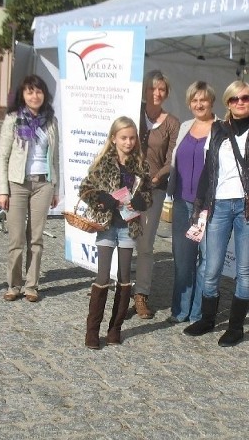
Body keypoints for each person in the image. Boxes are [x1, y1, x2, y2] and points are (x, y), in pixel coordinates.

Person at [184, 81, 249, 346]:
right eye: (234, 99)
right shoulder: (217, 131)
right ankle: (208, 319)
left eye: (244, 98)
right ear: (227, 103)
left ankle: (236, 327)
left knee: (244, 270)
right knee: (211, 266)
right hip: (220, 204)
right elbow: (207, 171)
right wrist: (201, 204)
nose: (239, 102)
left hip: (248, 206)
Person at [79, 116, 152, 349]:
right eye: (123, 138)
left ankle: (115, 328)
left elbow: (147, 195)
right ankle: (92, 330)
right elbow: (85, 189)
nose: (128, 142)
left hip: (128, 227)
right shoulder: (103, 163)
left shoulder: (140, 165)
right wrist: (103, 200)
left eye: (132, 138)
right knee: (102, 277)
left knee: (124, 277)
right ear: (114, 139)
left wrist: (138, 202)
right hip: (107, 226)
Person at [0, 75, 60, 303]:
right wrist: (2, 190)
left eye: (39, 91)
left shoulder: (51, 121)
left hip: (43, 183)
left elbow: (55, 159)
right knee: (16, 238)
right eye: (30, 91)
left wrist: (55, 189)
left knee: (36, 238)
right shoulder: (13, 119)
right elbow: (2, 157)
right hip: (17, 183)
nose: (35, 96)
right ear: (22, 96)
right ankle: (14, 284)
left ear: (45, 94)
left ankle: (31, 285)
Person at [167, 81, 217, 323]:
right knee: (183, 259)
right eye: (194, 100)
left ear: (211, 102)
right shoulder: (185, 126)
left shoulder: (220, 128)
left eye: (203, 99)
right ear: (189, 103)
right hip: (181, 201)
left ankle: (197, 312)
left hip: (208, 206)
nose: (199, 104)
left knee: (206, 261)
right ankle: (179, 310)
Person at [133, 70, 180, 319]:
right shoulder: (133, 109)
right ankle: (119, 289)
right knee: (122, 239)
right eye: (152, 88)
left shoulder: (172, 122)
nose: (157, 93)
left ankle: (141, 294)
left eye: (161, 89)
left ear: (167, 92)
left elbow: (172, 158)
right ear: (145, 91)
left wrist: (156, 177)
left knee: (146, 244)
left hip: (153, 189)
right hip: (127, 187)